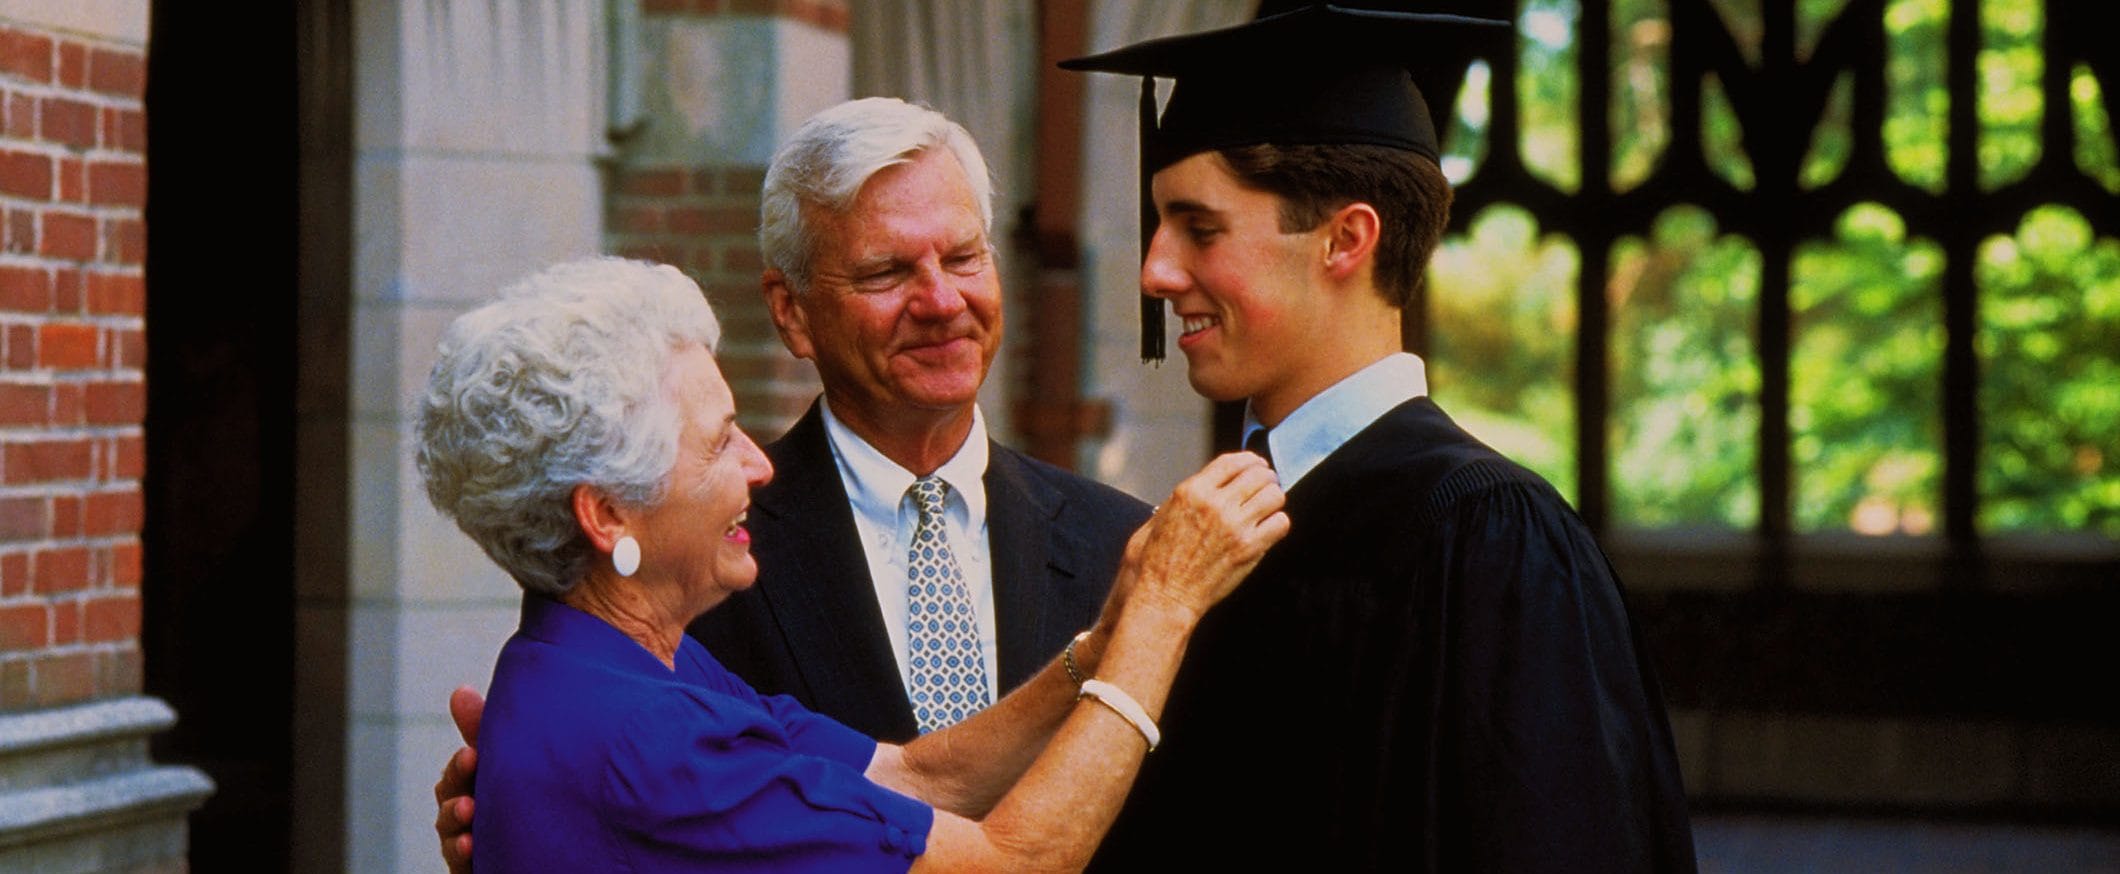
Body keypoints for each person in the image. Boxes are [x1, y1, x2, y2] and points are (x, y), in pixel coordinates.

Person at [1060, 4, 1698, 871]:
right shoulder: (1201, 538)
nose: (1156, 270)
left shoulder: (1489, 542)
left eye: (1200, 228)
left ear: (1347, 239)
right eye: (1159, 225)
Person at [416, 256, 1285, 871]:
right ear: (607, 514)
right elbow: (1013, 865)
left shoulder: (631, 663)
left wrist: (1098, 650)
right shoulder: (645, 735)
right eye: (719, 444)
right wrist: (1167, 608)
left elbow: (916, 775)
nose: (759, 465)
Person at [693, 97, 1151, 741]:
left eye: (964, 258)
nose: (941, 301)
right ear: (791, 312)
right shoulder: (706, 557)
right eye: (886, 272)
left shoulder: (1121, 543)